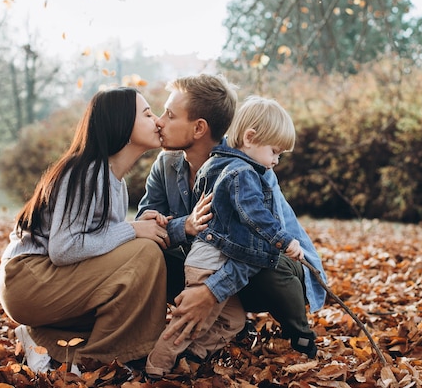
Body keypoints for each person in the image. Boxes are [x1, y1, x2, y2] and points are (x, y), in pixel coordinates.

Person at [136, 74, 327, 366]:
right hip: (205, 264)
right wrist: (184, 225)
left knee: (269, 261)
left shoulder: (251, 170)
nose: (159, 121)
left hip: (269, 265)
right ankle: (219, 324)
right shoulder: (166, 165)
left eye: (170, 115)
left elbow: (260, 247)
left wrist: (212, 292)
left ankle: (296, 332)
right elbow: (146, 227)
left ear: (199, 128)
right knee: (149, 253)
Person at [0, 87, 171, 373]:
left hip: (43, 278)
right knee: (145, 252)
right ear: (123, 124)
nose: (158, 121)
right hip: (27, 276)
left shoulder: (116, 181)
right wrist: (131, 231)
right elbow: (64, 248)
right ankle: (93, 362)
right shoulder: (88, 171)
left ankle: (41, 339)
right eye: (148, 113)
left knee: (139, 261)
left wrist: (133, 227)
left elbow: (98, 241)